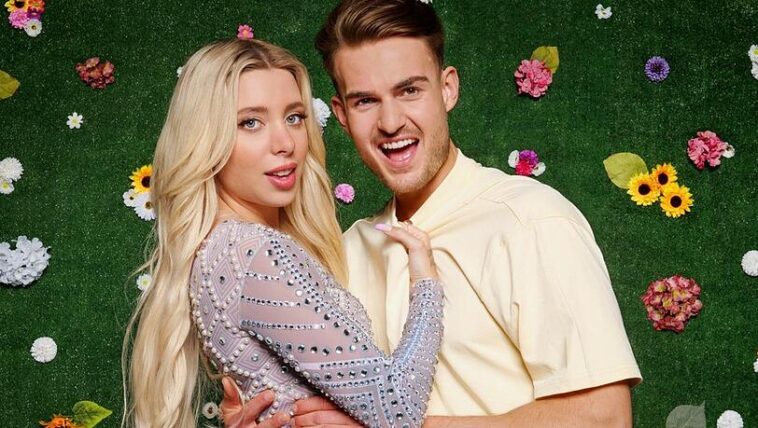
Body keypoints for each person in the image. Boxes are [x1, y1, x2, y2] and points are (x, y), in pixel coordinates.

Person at [223, 0, 642, 426]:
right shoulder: (343, 253)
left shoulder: (529, 221)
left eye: (409, 91)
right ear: (343, 115)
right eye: (366, 101)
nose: (391, 122)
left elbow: (605, 419)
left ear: (447, 89)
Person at [121, 38, 447, 428]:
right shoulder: (251, 252)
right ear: (206, 138)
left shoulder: (224, 249)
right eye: (250, 122)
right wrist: (427, 285)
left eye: (293, 117)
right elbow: (398, 409)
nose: (285, 143)